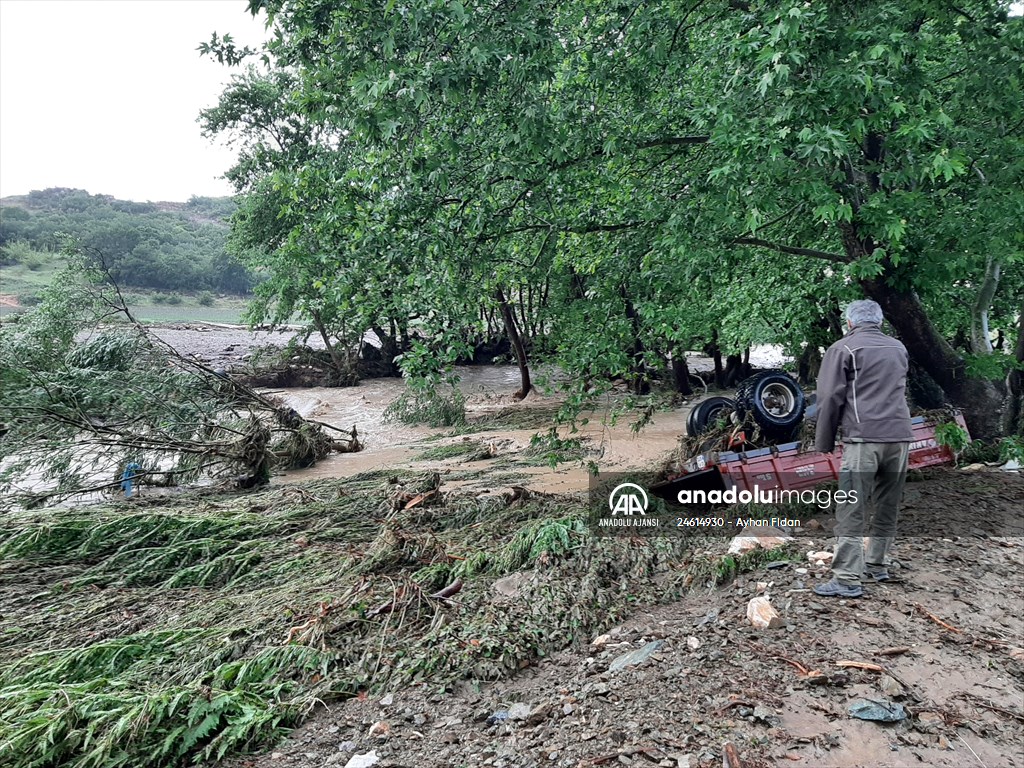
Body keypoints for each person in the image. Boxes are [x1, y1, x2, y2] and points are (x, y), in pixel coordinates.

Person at [812, 299, 913, 598]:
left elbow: (829, 397)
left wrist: (824, 441)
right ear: (879, 321)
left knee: (851, 507)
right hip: (899, 437)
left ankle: (846, 579)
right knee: (887, 503)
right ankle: (877, 564)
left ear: (850, 323)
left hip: (864, 438)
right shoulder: (898, 348)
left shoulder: (843, 348)